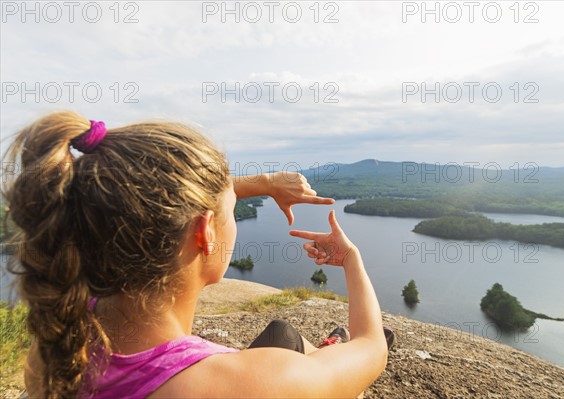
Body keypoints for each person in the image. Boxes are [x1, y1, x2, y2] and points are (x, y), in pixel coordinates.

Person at [3, 112, 390, 398]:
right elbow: (373, 348)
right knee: (296, 349)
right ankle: (327, 350)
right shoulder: (240, 385)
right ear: (204, 232)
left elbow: (153, 202)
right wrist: (351, 260)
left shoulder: (62, 343)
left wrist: (266, 183)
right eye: (230, 210)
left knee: (283, 336)